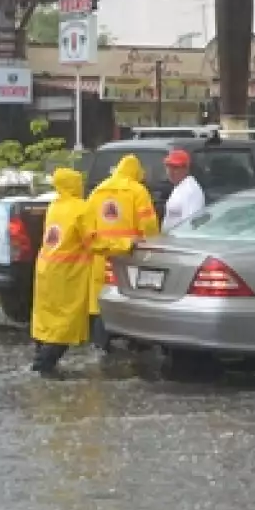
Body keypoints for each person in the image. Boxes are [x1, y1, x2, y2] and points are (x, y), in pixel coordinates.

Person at [85, 155, 159, 349]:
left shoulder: (97, 191)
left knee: (100, 302)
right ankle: (136, 345)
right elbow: (149, 225)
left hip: (101, 255)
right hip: (129, 256)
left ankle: (100, 346)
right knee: (130, 301)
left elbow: (87, 226)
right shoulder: (137, 191)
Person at [30, 168, 95, 376]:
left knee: (47, 318)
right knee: (67, 320)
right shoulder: (82, 208)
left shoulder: (54, 206)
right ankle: (44, 365)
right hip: (69, 273)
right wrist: (124, 245)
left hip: (46, 269)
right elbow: (93, 241)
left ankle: (41, 361)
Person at [162, 149, 206, 230]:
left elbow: (190, 224)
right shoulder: (180, 187)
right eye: (168, 167)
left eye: (175, 168)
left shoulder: (190, 191)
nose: (171, 172)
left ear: (186, 169)